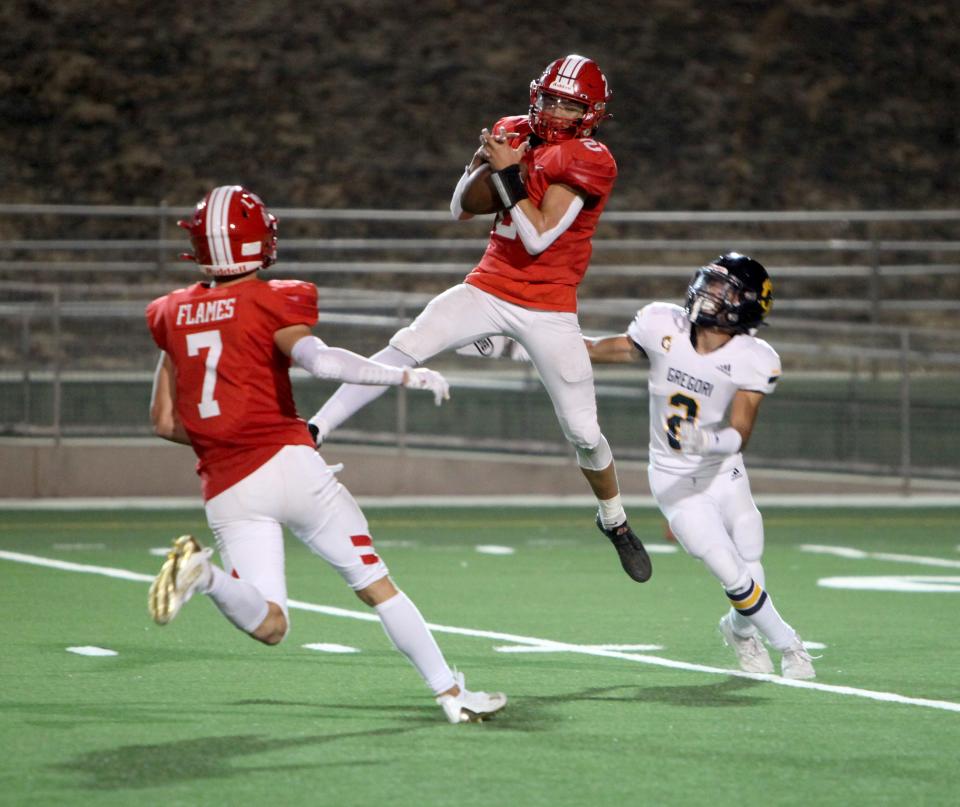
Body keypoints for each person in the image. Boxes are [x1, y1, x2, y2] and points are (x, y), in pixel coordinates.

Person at [145, 185, 507, 723]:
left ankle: (205, 576)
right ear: (260, 239)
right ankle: (451, 696)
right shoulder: (274, 298)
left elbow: (166, 422)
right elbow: (324, 363)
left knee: (271, 625)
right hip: (292, 464)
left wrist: (226, 435)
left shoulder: (169, 313)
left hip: (228, 484)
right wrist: (403, 372)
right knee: (377, 585)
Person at [307, 55, 651, 584]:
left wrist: (508, 169)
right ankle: (316, 429)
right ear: (536, 94)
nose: (556, 111)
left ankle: (615, 519)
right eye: (551, 99)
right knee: (407, 343)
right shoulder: (512, 129)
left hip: (549, 305)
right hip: (488, 285)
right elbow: (459, 210)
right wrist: (483, 163)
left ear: (591, 114)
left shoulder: (591, 158)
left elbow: (538, 236)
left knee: (584, 433)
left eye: (570, 104)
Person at [584, 253, 816, 678]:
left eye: (722, 289)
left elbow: (741, 431)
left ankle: (739, 632)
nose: (709, 295)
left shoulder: (754, 356)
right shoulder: (663, 325)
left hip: (723, 471)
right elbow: (595, 350)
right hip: (675, 480)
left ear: (746, 304)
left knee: (752, 560)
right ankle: (792, 647)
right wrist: (529, 343)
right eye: (709, 284)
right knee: (729, 570)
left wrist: (708, 441)